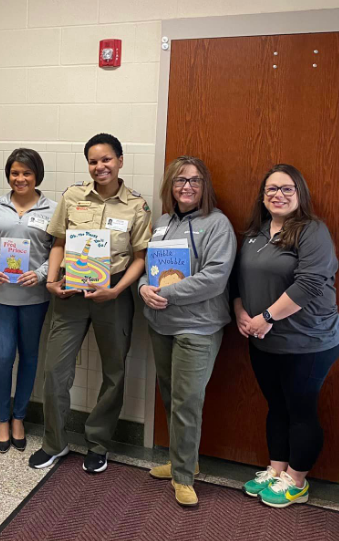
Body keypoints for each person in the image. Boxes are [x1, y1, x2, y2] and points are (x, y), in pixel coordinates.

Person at [29, 133, 152, 473]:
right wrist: (52, 280)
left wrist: (117, 291)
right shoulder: (73, 197)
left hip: (113, 292)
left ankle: (98, 443)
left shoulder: (136, 206)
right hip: (71, 291)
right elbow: (58, 242)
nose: (100, 166)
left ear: (120, 160)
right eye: (94, 161)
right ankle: (54, 442)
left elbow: (141, 257)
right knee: (55, 370)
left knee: (114, 371)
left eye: (107, 159)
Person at [234, 164, 339, 508]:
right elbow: (237, 281)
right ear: (263, 197)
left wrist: (266, 317)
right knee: (276, 406)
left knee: (301, 409)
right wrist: (241, 313)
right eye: (271, 190)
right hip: (263, 339)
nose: (278, 195)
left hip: (308, 341)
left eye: (287, 189)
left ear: (300, 194)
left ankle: (297, 480)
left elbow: (310, 283)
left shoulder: (313, 231)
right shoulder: (255, 233)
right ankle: (277, 469)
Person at [138, 157, 236, 506]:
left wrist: (163, 293)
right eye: (180, 181)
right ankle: (185, 460)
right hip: (161, 325)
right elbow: (148, 267)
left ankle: (183, 477)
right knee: (171, 395)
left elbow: (214, 279)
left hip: (199, 327)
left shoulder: (218, 225)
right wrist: (143, 288)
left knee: (187, 401)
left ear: (204, 185)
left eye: (195, 181)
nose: (187, 187)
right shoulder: (163, 223)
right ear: (171, 186)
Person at [0, 148, 56, 453]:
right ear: (8, 175)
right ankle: (1, 418)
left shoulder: (52, 208)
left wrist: (39, 274)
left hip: (35, 295)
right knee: (3, 356)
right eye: (15, 173)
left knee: (30, 356)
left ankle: (19, 417)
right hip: (0, 294)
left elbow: (57, 250)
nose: (20, 178)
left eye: (26, 173)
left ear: (37, 175)